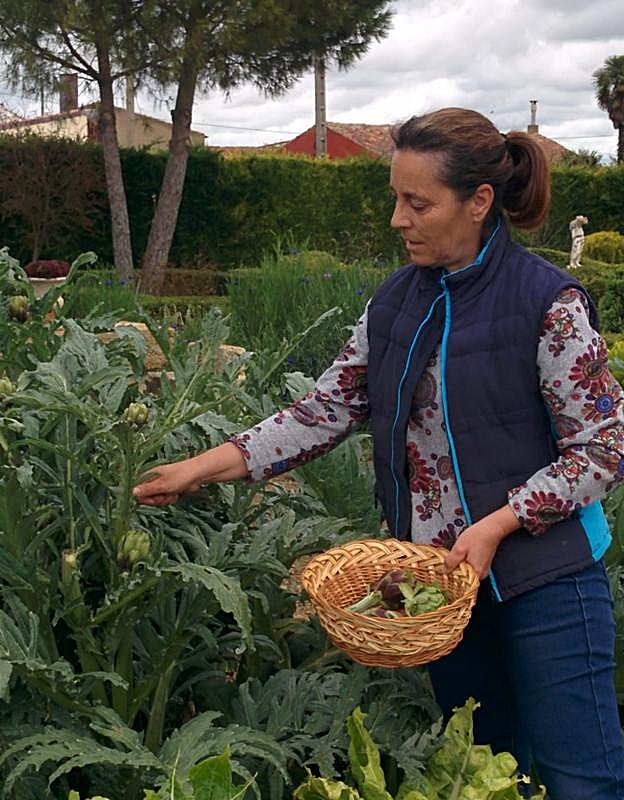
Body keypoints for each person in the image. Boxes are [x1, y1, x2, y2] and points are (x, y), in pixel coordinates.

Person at [133, 107, 624, 799]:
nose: (398, 218)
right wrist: (203, 466)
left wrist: (498, 523)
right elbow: (325, 408)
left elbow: (602, 447)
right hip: (439, 594)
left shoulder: (548, 304)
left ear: (479, 202)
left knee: (583, 783)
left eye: (417, 202)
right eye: (396, 198)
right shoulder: (394, 302)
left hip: (549, 585)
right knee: (482, 777)